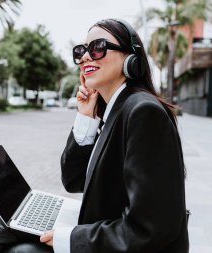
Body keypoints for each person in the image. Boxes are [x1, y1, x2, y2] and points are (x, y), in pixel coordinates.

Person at [40, 18, 189, 253]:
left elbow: (149, 229)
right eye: (81, 51)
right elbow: (73, 180)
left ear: (131, 58)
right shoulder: (116, 110)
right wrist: (86, 117)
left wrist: (71, 239)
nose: (86, 57)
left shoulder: (143, 112)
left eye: (98, 48)